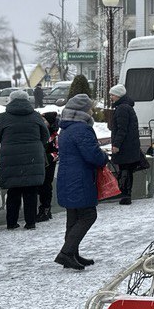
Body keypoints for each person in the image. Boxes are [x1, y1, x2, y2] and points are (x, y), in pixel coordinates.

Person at [55, 93, 109, 270]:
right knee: (88, 215)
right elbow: (92, 155)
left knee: (74, 216)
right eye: (90, 107)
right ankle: (66, 252)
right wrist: (104, 156)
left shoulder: (67, 128)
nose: (92, 111)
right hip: (80, 178)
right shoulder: (81, 129)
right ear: (83, 110)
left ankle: (72, 254)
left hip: (67, 177)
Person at [0, 88, 51, 230]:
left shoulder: (3, 117)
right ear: (27, 100)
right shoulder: (35, 116)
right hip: (33, 155)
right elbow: (45, 135)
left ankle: (11, 222)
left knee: (13, 191)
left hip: (10, 156)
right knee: (31, 190)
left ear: (11, 100)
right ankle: (30, 222)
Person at [108, 84, 144, 205]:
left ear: (118, 95)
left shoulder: (122, 108)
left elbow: (121, 129)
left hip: (125, 146)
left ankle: (125, 195)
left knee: (125, 169)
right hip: (130, 145)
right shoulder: (126, 107)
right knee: (127, 169)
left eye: (112, 95)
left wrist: (116, 145)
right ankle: (126, 194)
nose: (111, 97)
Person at [38, 110, 59, 221]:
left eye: (44, 120)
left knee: (46, 186)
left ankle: (46, 209)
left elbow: (56, 151)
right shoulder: (40, 131)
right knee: (41, 186)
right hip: (40, 162)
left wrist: (48, 157)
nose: (42, 121)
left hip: (49, 163)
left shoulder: (54, 135)